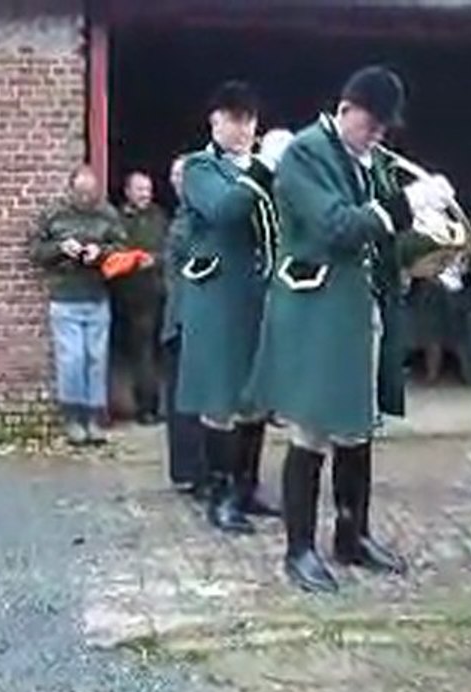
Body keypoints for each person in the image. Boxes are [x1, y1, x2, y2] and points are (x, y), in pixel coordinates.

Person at [247, 65, 457, 593]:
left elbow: (382, 234)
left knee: (357, 426)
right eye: (371, 124)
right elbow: (337, 227)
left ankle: (351, 534)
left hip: (362, 309)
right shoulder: (305, 154)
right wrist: (407, 204)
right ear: (344, 110)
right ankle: (298, 550)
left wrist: (438, 246)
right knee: (313, 428)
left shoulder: (366, 158)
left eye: (384, 128)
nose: (378, 135)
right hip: (316, 309)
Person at [176, 81, 282, 535]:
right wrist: (261, 169)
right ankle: (219, 495)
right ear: (214, 121)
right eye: (233, 118)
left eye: (248, 119)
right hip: (218, 296)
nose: (241, 128)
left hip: (262, 294)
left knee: (255, 399)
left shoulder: (267, 170)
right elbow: (224, 211)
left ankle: (247, 487)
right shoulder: (202, 168)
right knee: (220, 397)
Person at [29, 165, 126, 446]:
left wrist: (101, 253)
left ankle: (95, 419)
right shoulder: (54, 215)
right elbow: (35, 251)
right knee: (72, 360)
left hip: (97, 296)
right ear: (70, 190)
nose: (86, 198)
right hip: (65, 297)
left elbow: (123, 250)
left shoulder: (107, 214)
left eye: (91, 193)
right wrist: (60, 249)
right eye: (81, 193)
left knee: (96, 360)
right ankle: (73, 417)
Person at [159, 155, 205, 492]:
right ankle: (190, 471)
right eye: (175, 175)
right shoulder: (188, 221)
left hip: (188, 318)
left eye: (183, 175)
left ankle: (192, 470)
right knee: (186, 402)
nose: (179, 181)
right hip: (185, 321)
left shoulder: (187, 217)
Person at [114, 171, 169, 424]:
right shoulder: (119, 220)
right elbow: (114, 251)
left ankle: (163, 405)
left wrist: (155, 259)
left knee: (163, 351)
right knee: (142, 352)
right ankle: (146, 407)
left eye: (148, 189)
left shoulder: (159, 216)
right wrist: (134, 259)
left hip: (160, 291)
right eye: (139, 189)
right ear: (128, 191)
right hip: (133, 295)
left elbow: (171, 248)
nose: (145, 194)